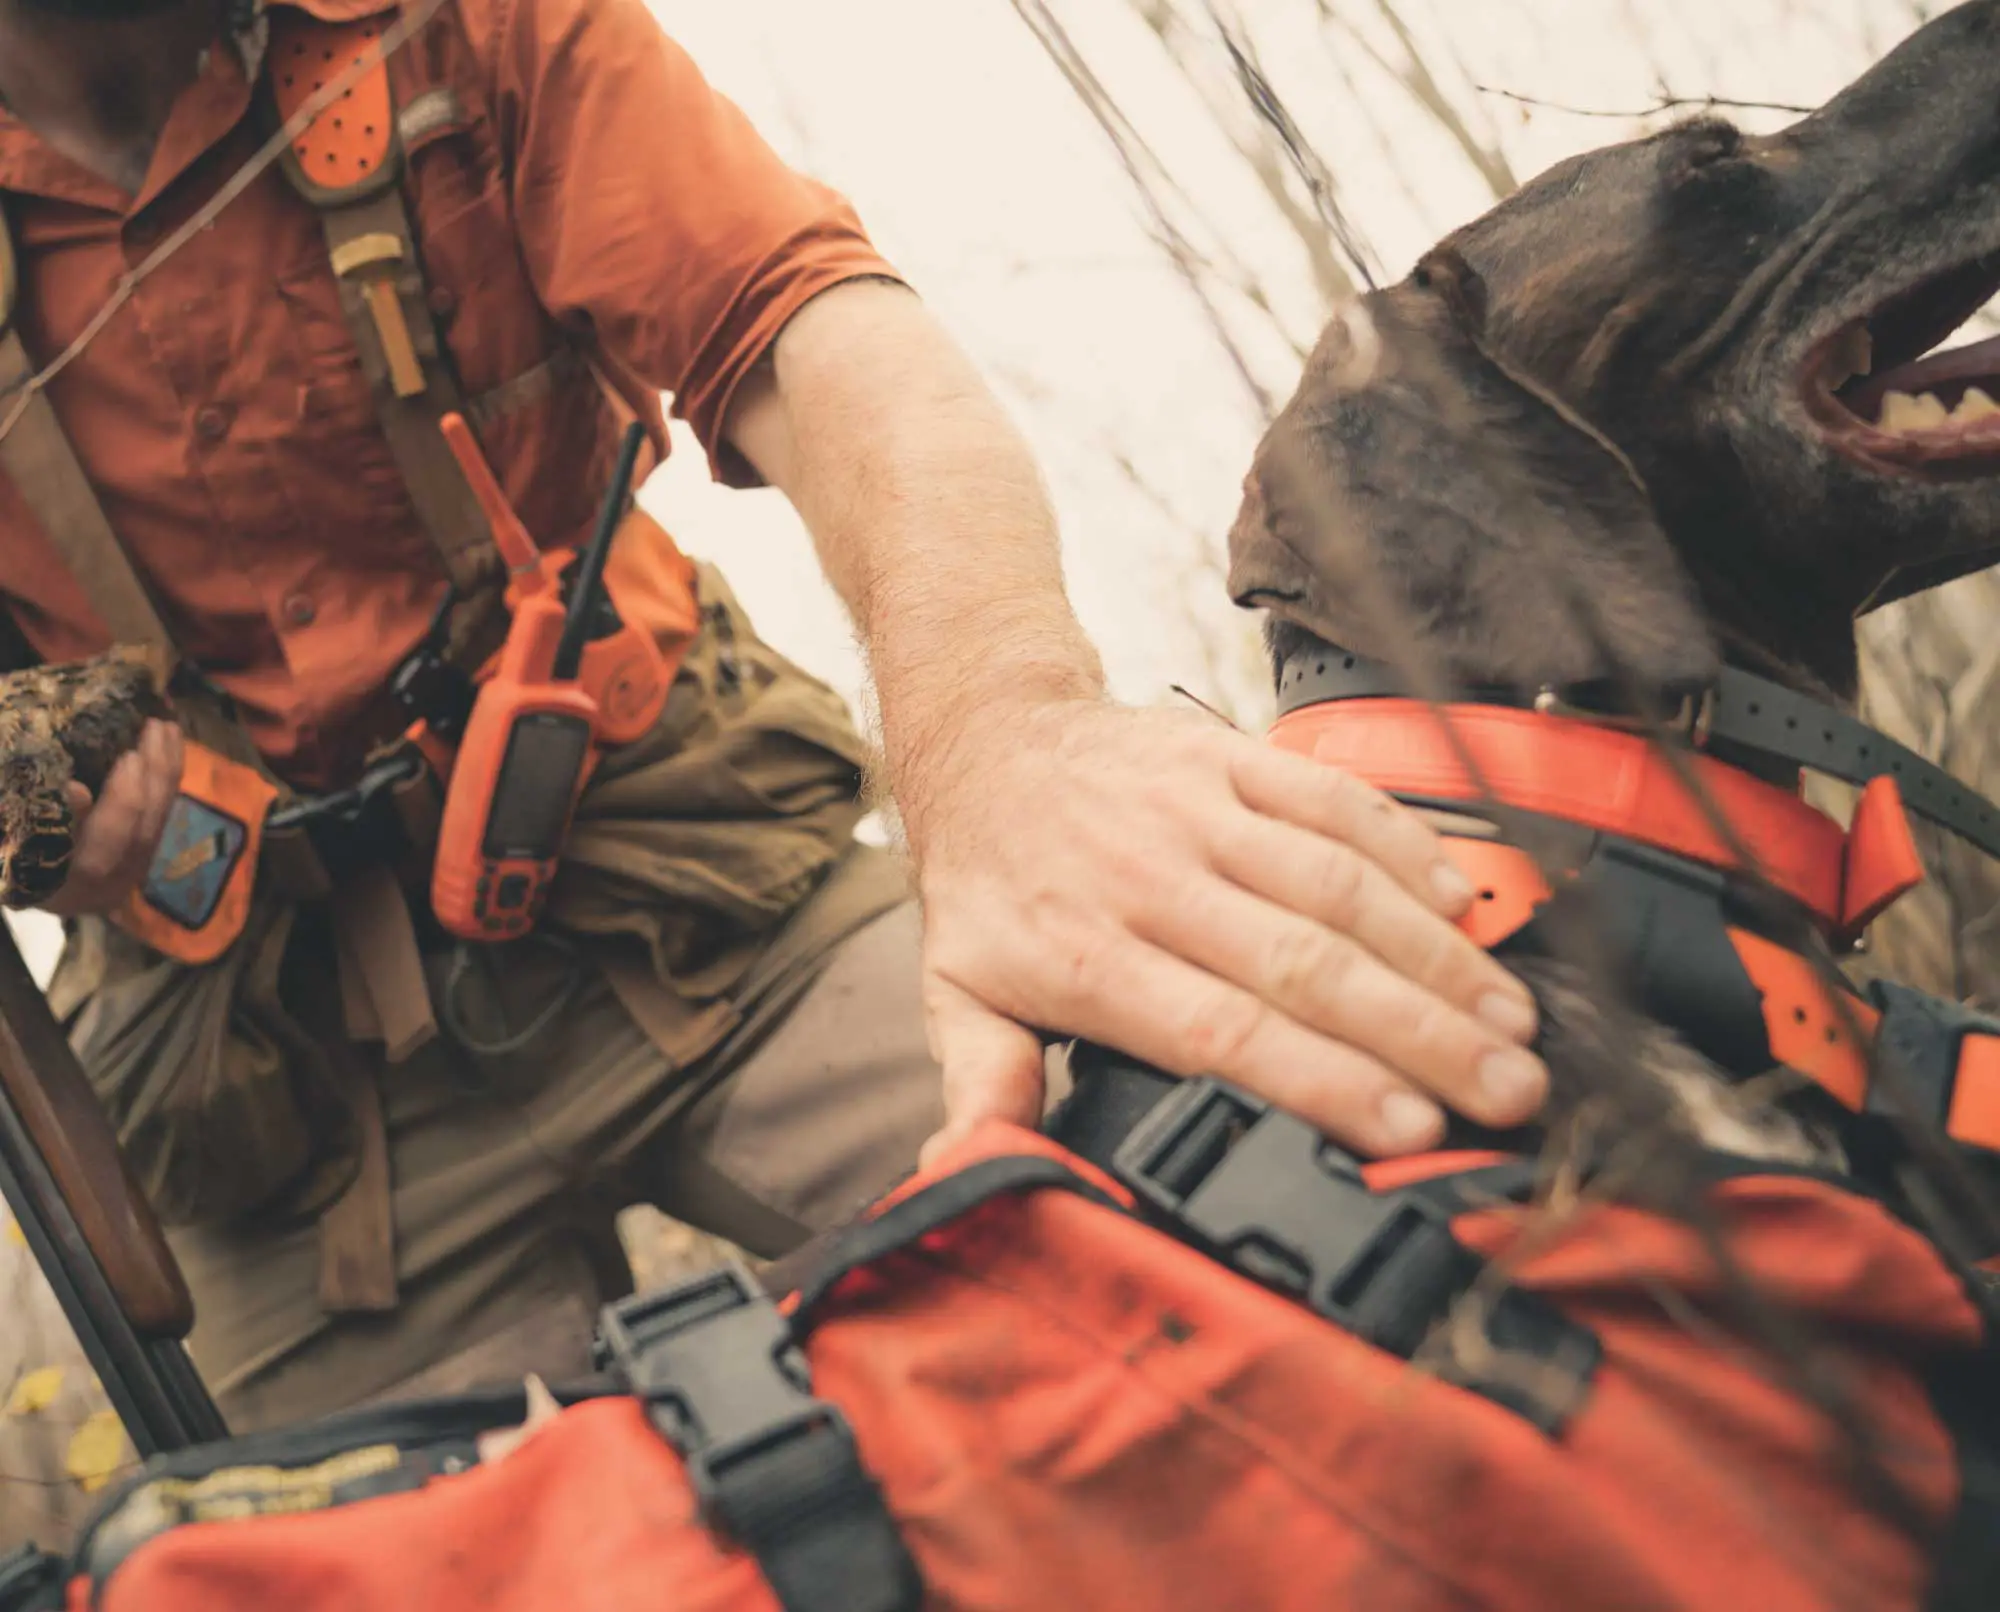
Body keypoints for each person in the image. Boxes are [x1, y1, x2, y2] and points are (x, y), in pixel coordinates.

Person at [0, 0, 1548, 1429]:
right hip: (264, 1077)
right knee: (252, 1550)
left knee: (1255, 1204)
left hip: (688, 878)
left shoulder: (466, 23)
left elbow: (821, 332)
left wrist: (1000, 743)